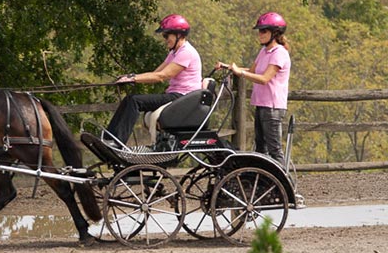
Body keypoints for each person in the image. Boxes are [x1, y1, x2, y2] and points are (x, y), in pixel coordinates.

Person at [105, 14, 203, 147]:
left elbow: (161, 76)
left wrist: (134, 78)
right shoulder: (175, 52)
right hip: (175, 96)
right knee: (130, 99)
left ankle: (117, 143)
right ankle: (109, 139)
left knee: (134, 101)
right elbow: (155, 73)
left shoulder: (186, 53)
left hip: (182, 98)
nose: (165, 39)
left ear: (178, 35)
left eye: (166, 36)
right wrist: (130, 77)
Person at [217, 11, 291, 162]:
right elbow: (251, 71)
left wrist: (240, 73)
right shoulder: (264, 51)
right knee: (260, 149)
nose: (260, 34)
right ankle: (264, 183)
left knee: (274, 150)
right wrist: (230, 67)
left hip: (272, 107)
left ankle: (286, 183)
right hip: (261, 104)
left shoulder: (279, 53)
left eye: (264, 30)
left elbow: (264, 78)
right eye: (259, 31)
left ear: (275, 33)